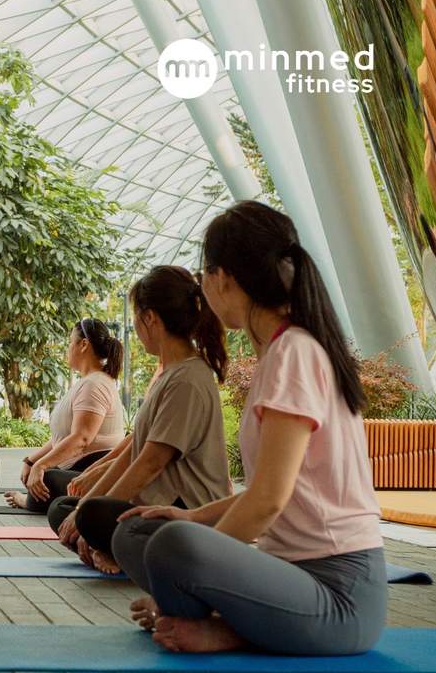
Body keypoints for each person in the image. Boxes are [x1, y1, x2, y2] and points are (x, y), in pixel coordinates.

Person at [111, 201, 387, 655]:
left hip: (340, 597)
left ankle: (220, 624)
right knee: (143, 531)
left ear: (223, 277)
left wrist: (194, 561)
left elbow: (267, 501)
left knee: (174, 547)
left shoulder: (294, 352)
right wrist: (191, 516)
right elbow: (283, 491)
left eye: (204, 275)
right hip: (294, 579)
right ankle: (222, 621)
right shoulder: (280, 353)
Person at [50, 267, 231, 575]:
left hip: (187, 511)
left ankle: (118, 550)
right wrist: (83, 505)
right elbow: (133, 454)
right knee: (65, 509)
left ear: (150, 318)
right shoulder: (171, 374)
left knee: (90, 515)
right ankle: (109, 544)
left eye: (136, 317)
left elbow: (150, 462)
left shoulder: (188, 379)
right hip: (157, 503)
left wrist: (89, 511)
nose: (134, 326)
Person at [5, 319, 125, 513]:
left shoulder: (95, 384)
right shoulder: (87, 382)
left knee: (48, 477)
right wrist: (32, 461)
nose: (68, 348)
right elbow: (61, 438)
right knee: (43, 474)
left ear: (84, 344)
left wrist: (41, 466)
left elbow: (81, 438)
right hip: (77, 467)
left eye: (70, 342)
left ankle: (29, 501)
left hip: (93, 469)